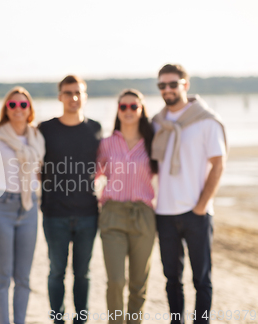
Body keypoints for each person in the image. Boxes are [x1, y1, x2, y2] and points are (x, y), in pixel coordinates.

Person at [152, 64, 226, 324]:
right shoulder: (157, 123)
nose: (168, 90)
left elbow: (218, 163)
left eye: (173, 84)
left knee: (201, 278)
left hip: (197, 211)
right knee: (172, 277)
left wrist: (202, 205)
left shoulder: (206, 120)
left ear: (186, 84)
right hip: (164, 212)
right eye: (162, 85)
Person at [38, 75, 102, 324]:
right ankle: (57, 319)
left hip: (88, 212)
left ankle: (81, 319)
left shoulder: (95, 128)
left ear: (84, 96)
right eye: (68, 92)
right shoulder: (46, 128)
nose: (73, 97)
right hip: (54, 214)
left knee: (83, 273)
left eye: (78, 92)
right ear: (60, 96)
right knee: (56, 272)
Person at [96, 89, 157, 324]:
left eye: (134, 107)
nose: (129, 111)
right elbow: (90, 174)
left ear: (142, 110)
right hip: (113, 214)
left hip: (143, 215)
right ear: (118, 111)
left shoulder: (153, 143)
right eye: (124, 107)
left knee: (138, 283)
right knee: (116, 281)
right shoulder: (106, 143)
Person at [0, 86, 45, 324]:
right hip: (2, 207)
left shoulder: (37, 138)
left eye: (23, 104)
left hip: (29, 207)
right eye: (13, 105)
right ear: (6, 109)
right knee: (3, 276)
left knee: (23, 277)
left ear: (29, 108)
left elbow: (40, 172)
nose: (18, 109)